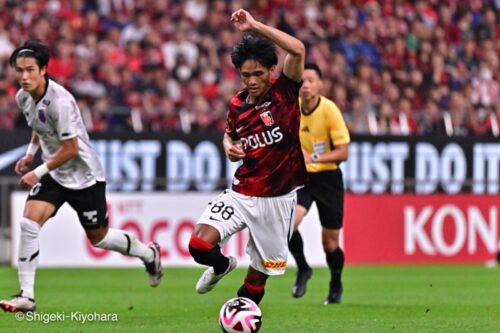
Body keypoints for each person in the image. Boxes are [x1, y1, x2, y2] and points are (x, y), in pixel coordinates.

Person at [0, 40, 163, 313]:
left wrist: (37, 172)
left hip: (84, 174)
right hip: (55, 172)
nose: (24, 76)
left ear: (43, 70)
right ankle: (26, 296)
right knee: (29, 222)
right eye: (19, 70)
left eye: (30, 70)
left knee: (98, 238)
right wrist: (30, 154)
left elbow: (71, 149)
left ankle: (148, 254)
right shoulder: (23, 97)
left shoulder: (60, 102)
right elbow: (39, 126)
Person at [188, 9, 307, 305]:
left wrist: (254, 26)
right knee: (198, 245)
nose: (252, 81)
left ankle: (242, 316)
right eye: (246, 75)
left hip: (277, 200)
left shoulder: (286, 93)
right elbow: (231, 135)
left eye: (258, 74)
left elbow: (298, 48)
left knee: (255, 283)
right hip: (242, 192)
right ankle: (221, 265)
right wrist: (228, 145)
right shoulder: (237, 104)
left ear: (271, 71)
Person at [288, 62, 350, 304]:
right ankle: (304, 268)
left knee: (330, 243)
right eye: (301, 81)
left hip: (328, 178)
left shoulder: (329, 110)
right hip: (303, 178)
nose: (305, 85)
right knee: (288, 226)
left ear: (320, 85)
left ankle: (336, 282)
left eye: (311, 80)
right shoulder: (291, 109)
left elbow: (343, 152)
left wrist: (313, 156)